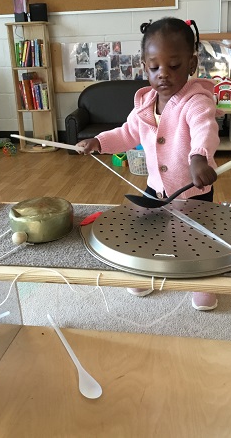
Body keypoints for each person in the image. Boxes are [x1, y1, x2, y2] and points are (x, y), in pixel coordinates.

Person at [77, 17, 221, 311]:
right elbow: (127, 133)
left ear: (192, 63)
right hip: (154, 189)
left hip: (194, 191)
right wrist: (100, 142)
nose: (163, 74)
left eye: (174, 65)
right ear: (145, 66)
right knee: (147, 235)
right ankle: (147, 273)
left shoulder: (197, 100)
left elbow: (204, 128)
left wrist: (198, 158)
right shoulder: (145, 103)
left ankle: (202, 283)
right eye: (155, 67)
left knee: (197, 242)